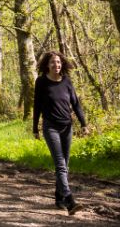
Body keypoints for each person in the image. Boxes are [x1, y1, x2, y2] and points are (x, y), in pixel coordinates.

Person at [33, 50, 89, 215]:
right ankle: (70, 200)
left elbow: (76, 104)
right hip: (50, 127)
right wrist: (35, 128)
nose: (56, 65)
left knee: (65, 165)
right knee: (60, 164)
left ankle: (59, 198)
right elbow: (37, 105)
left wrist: (84, 124)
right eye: (52, 62)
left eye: (58, 62)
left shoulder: (67, 81)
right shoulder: (41, 82)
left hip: (67, 127)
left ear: (62, 64)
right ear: (47, 65)